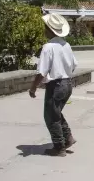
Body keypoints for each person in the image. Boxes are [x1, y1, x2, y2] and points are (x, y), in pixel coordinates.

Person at [29, 13, 78, 157]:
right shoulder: (66, 45)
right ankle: (68, 138)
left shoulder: (48, 47)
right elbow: (74, 65)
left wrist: (33, 87)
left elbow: (42, 71)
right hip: (67, 84)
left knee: (51, 116)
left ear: (50, 30)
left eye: (45, 27)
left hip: (56, 86)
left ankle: (59, 147)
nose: (44, 29)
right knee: (56, 113)